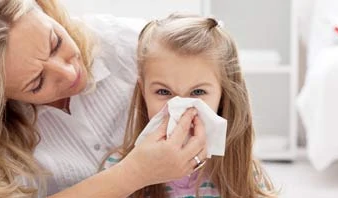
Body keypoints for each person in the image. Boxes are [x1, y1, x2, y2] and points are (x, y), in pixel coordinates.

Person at [0, 0, 207, 197]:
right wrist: (132, 174)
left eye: (55, 42)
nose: (69, 72)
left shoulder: (129, 46)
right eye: (37, 83)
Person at [101, 14, 277, 198]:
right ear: (143, 91)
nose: (181, 109)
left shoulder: (242, 173)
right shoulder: (119, 169)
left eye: (198, 92)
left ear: (223, 95)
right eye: (163, 92)